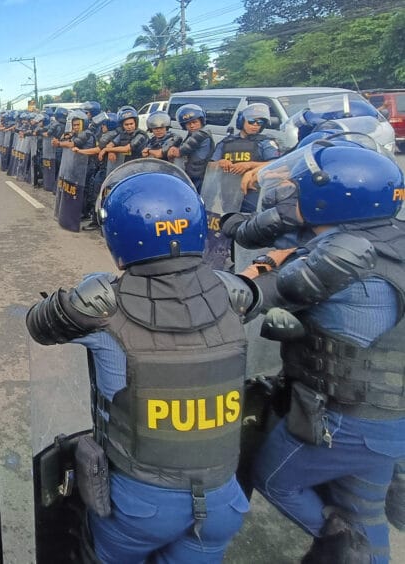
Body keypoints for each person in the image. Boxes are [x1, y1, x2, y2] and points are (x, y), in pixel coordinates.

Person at [26, 160, 254, 562]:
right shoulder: (232, 293)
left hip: (139, 503)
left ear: (119, 236)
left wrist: (75, 298)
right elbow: (258, 295)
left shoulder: (104, 306)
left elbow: (39, 326)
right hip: (221, 499)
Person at [244, 144, 405, 563]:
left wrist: (261, 266)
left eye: (298, 191)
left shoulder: (337, 260)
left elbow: (249, 300)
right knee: (362, 509)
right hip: (390, 415)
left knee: (274, 479)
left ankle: (343, 548)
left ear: (327, 199)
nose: (293, 196)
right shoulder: (390, 238)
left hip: (347, 420)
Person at [210, 102, 279, 212]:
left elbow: (276, 164)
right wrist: (221, 163)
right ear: (242, 121)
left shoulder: (265, 142)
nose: (256, 125)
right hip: (229, 193)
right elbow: (211, 166)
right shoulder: (226, 142)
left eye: (260, 122)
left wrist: (249, 165)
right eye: (251, 121)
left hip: (253, 193)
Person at [167, 104, 214, 192]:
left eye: (194, 122)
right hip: (193, 174)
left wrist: (172, 150)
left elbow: (180, 151)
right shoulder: (192, 134)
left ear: (201, 121)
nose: (192, 125)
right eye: (188, 123)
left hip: (199, 176)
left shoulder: (201, 134)